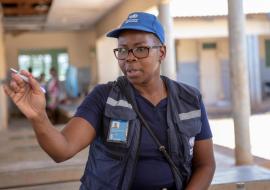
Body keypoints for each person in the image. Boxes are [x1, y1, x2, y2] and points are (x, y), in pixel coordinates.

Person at [3, 12, 215, 190]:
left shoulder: (190, 99)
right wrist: (38, 117)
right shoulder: (104, 97)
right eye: (122, 50)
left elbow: (205, 164)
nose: (129, 57)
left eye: (140, 48)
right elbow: (62, 150)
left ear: (162, 52)